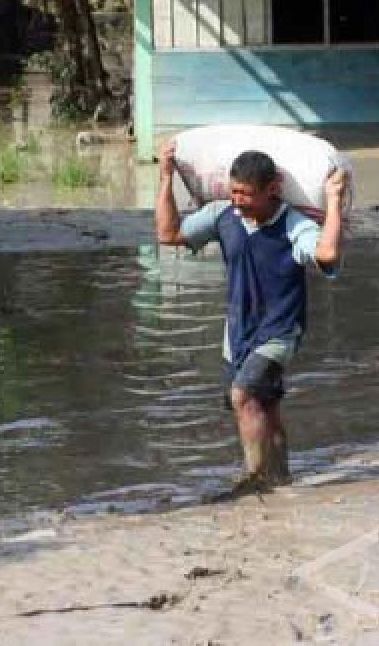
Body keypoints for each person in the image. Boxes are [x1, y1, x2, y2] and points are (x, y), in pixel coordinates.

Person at [156, 141, 347, 494]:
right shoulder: (222, 216)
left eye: (246, 194)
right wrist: (166, 177)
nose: (238, 201)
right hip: (238, 332)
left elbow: (327, 252)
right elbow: (169, 234)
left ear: (272, 190)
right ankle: (280, 476)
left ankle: (255, 477)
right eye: (234, 192)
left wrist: (333, 200)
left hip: (279, 332)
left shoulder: (294, 224)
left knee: (243, 396)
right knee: (266, 405)